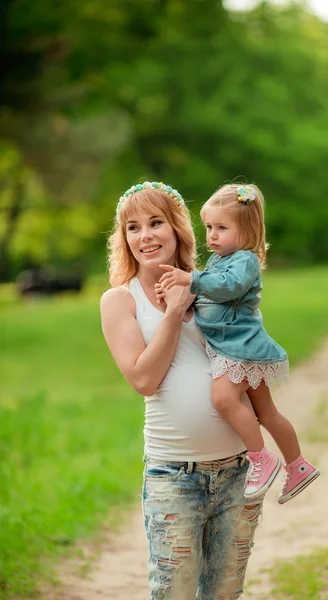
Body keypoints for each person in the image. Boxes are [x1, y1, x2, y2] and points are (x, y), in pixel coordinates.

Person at [100, 181, 264, 600]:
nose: (146, 235)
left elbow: (247, 353)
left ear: (177, 229)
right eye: (133, 228)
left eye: (156, 223)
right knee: (174, 592)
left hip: (236, 471)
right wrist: (174, 312)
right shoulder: (121, 300)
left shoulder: (213, 283)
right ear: (124, 239)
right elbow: (143, 380)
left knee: (225, 592)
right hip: (174, 477)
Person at [157, 183, 320, 503]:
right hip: (237, 348)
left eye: (221, 227)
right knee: (267, 413)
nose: (212, 236)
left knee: (223, 398)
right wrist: (181, 300)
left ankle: (261, 457)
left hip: (240, 348)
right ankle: (298, 464)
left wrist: (191, 279)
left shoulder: (243, 260)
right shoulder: (219, 261)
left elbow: (226, 288)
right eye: (208, 227)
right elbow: (208, 299)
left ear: (245, 231)